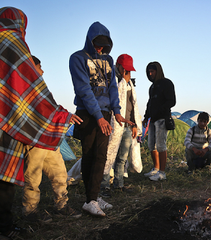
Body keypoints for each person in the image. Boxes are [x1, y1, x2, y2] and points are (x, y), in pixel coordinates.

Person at [0, 7, 75, 240]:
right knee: (5, 176)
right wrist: (59, 115)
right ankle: (3, 228)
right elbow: (30, 91)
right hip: (6, 120)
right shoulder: (12, 43)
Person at [69, 22, 130, 217]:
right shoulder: (77, 58)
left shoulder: (108, 60)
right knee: (89, 155)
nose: (101, 49)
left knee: (101, 156)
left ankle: (93, 197)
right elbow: (84, 90)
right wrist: (97, 117)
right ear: (90, 40)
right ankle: (90, 199)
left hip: (105, 113)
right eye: (98, 44)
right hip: (87, 113)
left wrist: (116, 111)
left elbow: (112, 87)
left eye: (104, 46)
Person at [22, 56, 82, 222]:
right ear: (30, 67)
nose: (42, 71)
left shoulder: (40, 89)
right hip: (34, 139)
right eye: (39, 67)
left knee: (60, 173)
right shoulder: (25, 88)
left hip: (49, 138)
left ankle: (62, 205)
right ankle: (30, 211)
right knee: (32, 177)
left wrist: (64, 115)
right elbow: (39, 111)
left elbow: (51, 108)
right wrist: (63, 116)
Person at [100, 54, 140, 197]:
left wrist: (134, 124)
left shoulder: (129, 84)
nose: (127, 72)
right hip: (114, 124)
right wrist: (122, 80)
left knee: (122, 156)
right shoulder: (112, 80)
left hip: (127, 125)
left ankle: (119, 183)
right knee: (109, 154)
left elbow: (133, 106)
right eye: (125, 69)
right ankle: (104, 185)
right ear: (118, 66)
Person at [142, 62, 176, 181]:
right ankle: (156, 169)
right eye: (149, 72)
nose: (150, 74)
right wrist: (146, 117)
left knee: (161, 145)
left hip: (162, 118)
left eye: (153, 71)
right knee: (151, 144)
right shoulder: (152, 87)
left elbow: (171, 101)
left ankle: (162, 172)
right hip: (152, 119)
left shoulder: (166, 83)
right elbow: (150, 102)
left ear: (158, 71)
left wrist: (160, 109)